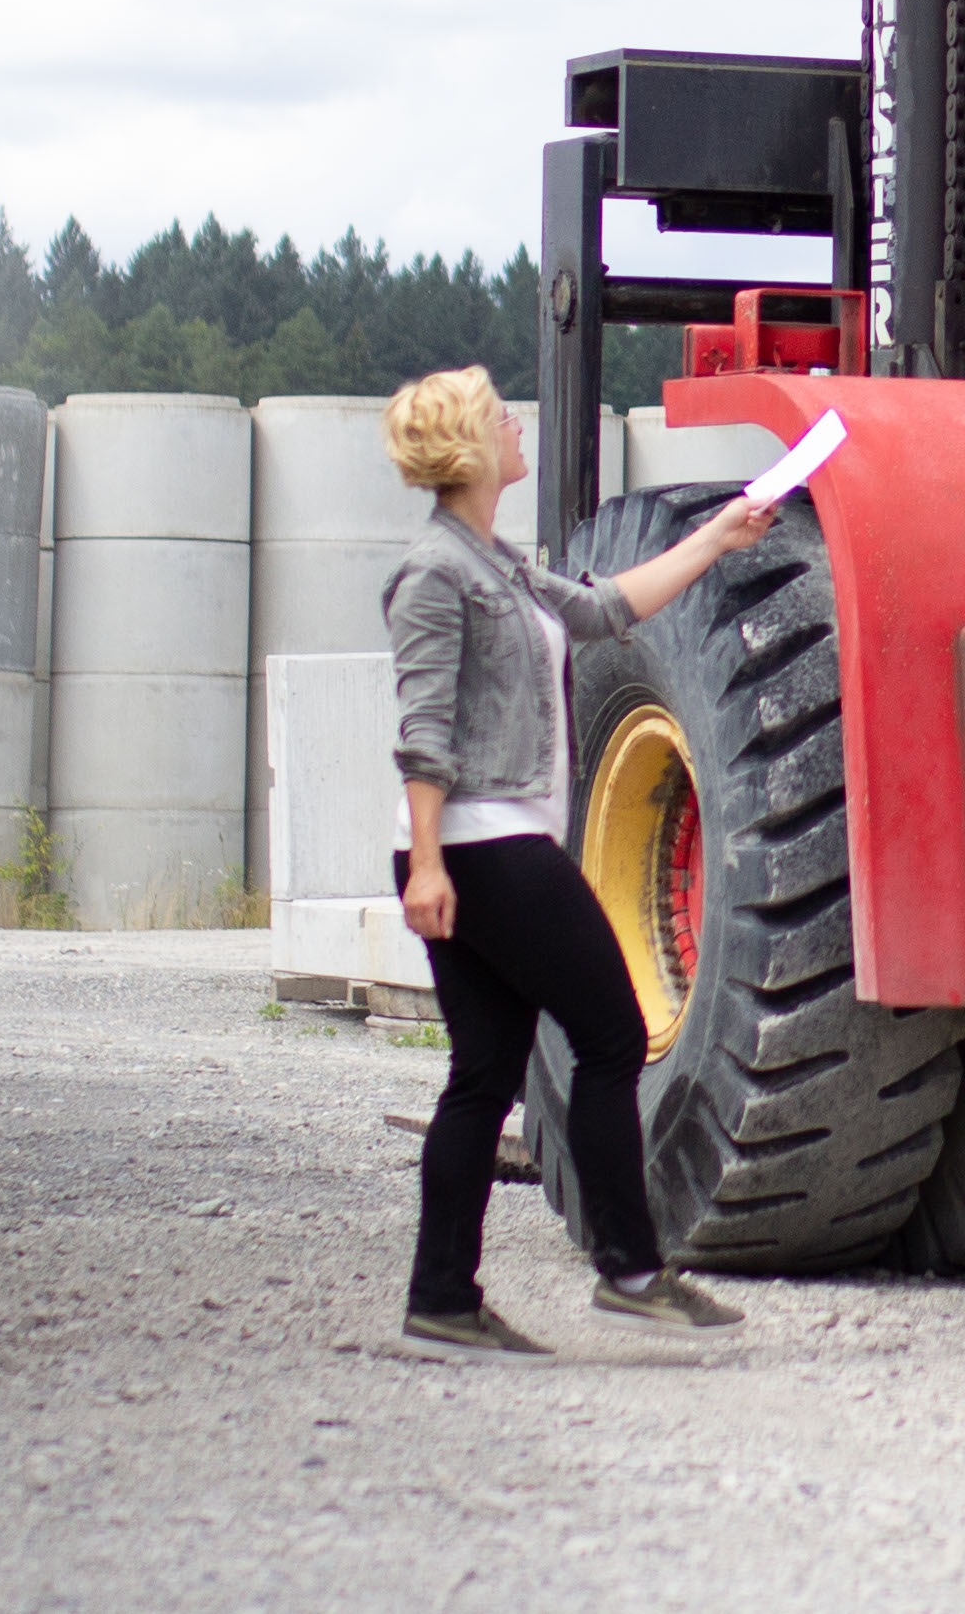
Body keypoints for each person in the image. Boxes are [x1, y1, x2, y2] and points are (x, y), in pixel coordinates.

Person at [379, 365, 773, 1359]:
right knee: (606, 1034)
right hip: (479, 845)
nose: (517, 426)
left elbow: (603, 609)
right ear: (470, 449)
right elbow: (423, 727)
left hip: (485, 844)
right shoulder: (436, 572)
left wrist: (716, 537)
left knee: (483, 1074)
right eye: (500, 416)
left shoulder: (494, 562)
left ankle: (442, 1296)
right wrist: (427, 862)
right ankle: (632, 1269)